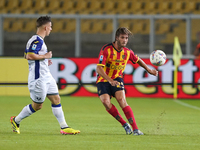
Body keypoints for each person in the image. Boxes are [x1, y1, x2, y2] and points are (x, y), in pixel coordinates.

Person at [10, 16, 80, 135]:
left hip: (46, 76)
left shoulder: (36, 40)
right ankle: (16, 120)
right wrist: (45, 57)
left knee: (56, 99)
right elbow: (29, 56)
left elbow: (27, 55)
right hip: (38, 79)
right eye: (51, 27)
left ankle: (64, 127)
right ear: (46, 27)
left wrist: (43, 61)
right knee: (37, 106)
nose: (51, 29)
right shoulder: (37, 40)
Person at [96, 27, 158, 135]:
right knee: (106, 102)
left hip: (117, 78)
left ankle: (136, 129)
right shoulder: (106, 49)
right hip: (103, 79)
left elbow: (138, 60)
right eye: (122, 38)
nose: (125, 40)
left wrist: (149, 70)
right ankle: (124, 124)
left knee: (122, 100)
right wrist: (110, 80)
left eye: (126, 38)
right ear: (116, 38)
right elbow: (99, 68)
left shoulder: (128, 52)